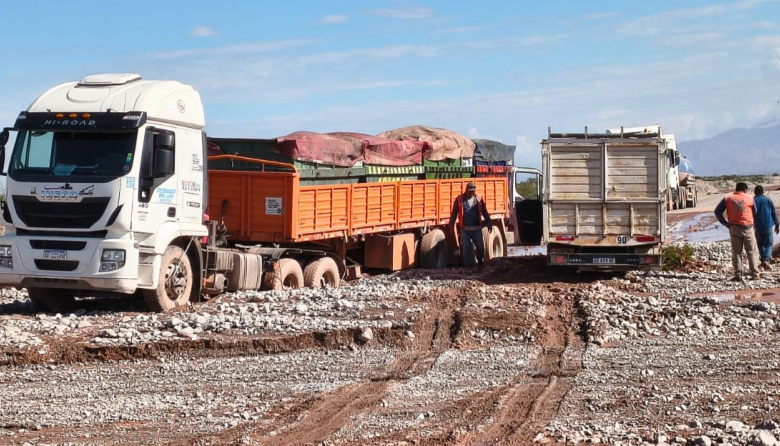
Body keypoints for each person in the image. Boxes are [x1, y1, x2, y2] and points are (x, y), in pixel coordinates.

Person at [714, 182, 761, 281]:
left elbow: (717, 211)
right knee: (751, 251)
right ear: (745, 189)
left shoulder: (728, 198)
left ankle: (738, 274)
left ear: (736, 189)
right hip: (748, 227)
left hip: (734, 227)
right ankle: (755, 274)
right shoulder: (750, 198)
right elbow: (755, 212)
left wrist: (725, 223)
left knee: (736, 252)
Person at [448, 182, 493, 267]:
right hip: (465, 229)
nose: (472, 193)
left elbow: (485, 212)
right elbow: (454, 213)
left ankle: (480, 263)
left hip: (477, 228)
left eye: (473, 191)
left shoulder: (479, 199)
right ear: (466, 190)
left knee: (480, 246)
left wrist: (489, 223)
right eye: (470, 191)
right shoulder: (459, 199)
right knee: (466, 249)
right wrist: (451, 226)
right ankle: (468, 267)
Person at [753, 185, 779, 270]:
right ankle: (767, 260)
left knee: (760, 244)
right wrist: (777, 224)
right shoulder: (768, 200)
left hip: (757, 226)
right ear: (763, 192)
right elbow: (773, 213)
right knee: (768, 244)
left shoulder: (752, 201)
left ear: (755, 192)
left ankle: (763, 260)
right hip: (768, 225)